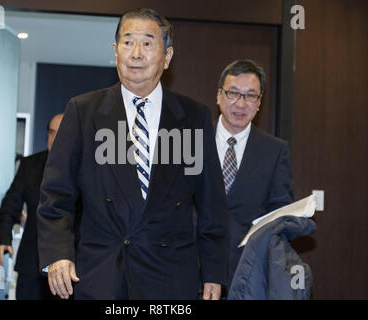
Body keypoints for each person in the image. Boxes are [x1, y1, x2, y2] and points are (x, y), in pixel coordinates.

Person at [37, 8, 228, 300]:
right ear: (115, 51)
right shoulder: (83, 111)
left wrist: (214, 272)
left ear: (168, 56)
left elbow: (211, 203)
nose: (136, 53)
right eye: (127, 42)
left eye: (148, 43)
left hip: (170, 278)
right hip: (101, 276)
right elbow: (55, 195)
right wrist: (58, 254)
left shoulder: (192, 117)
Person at [214, 59, 294, 292]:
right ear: (218, 95)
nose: (241, 103)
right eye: (233, 93)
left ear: (259, 103)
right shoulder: (195, 142)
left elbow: (280, 210)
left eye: (250, 96)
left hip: (249, 273)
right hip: (193, 269)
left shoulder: (275, 150)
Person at [0, 113, 63, 300]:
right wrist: (2, 238)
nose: (55, 138)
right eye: (51, 132)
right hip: (31, 264)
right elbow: (10, 205)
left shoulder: (85, 168)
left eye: (61, 133)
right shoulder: (29, 165)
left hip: (69, 267)